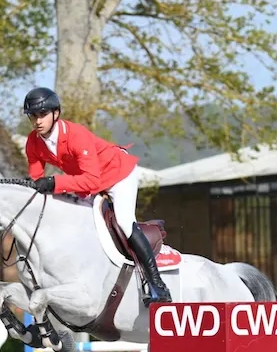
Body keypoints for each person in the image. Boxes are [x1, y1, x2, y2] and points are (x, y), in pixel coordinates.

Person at [21, 86, 171, 305]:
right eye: (33, 116)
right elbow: (36, 180)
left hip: (118, 174)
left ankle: (157, 284)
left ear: (56, 113)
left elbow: (90, 180)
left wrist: (54, 182)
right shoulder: (32, 142)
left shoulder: (76, 135)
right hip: (88, 183)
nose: (37, 121)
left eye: (42, 114)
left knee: (124, 222)